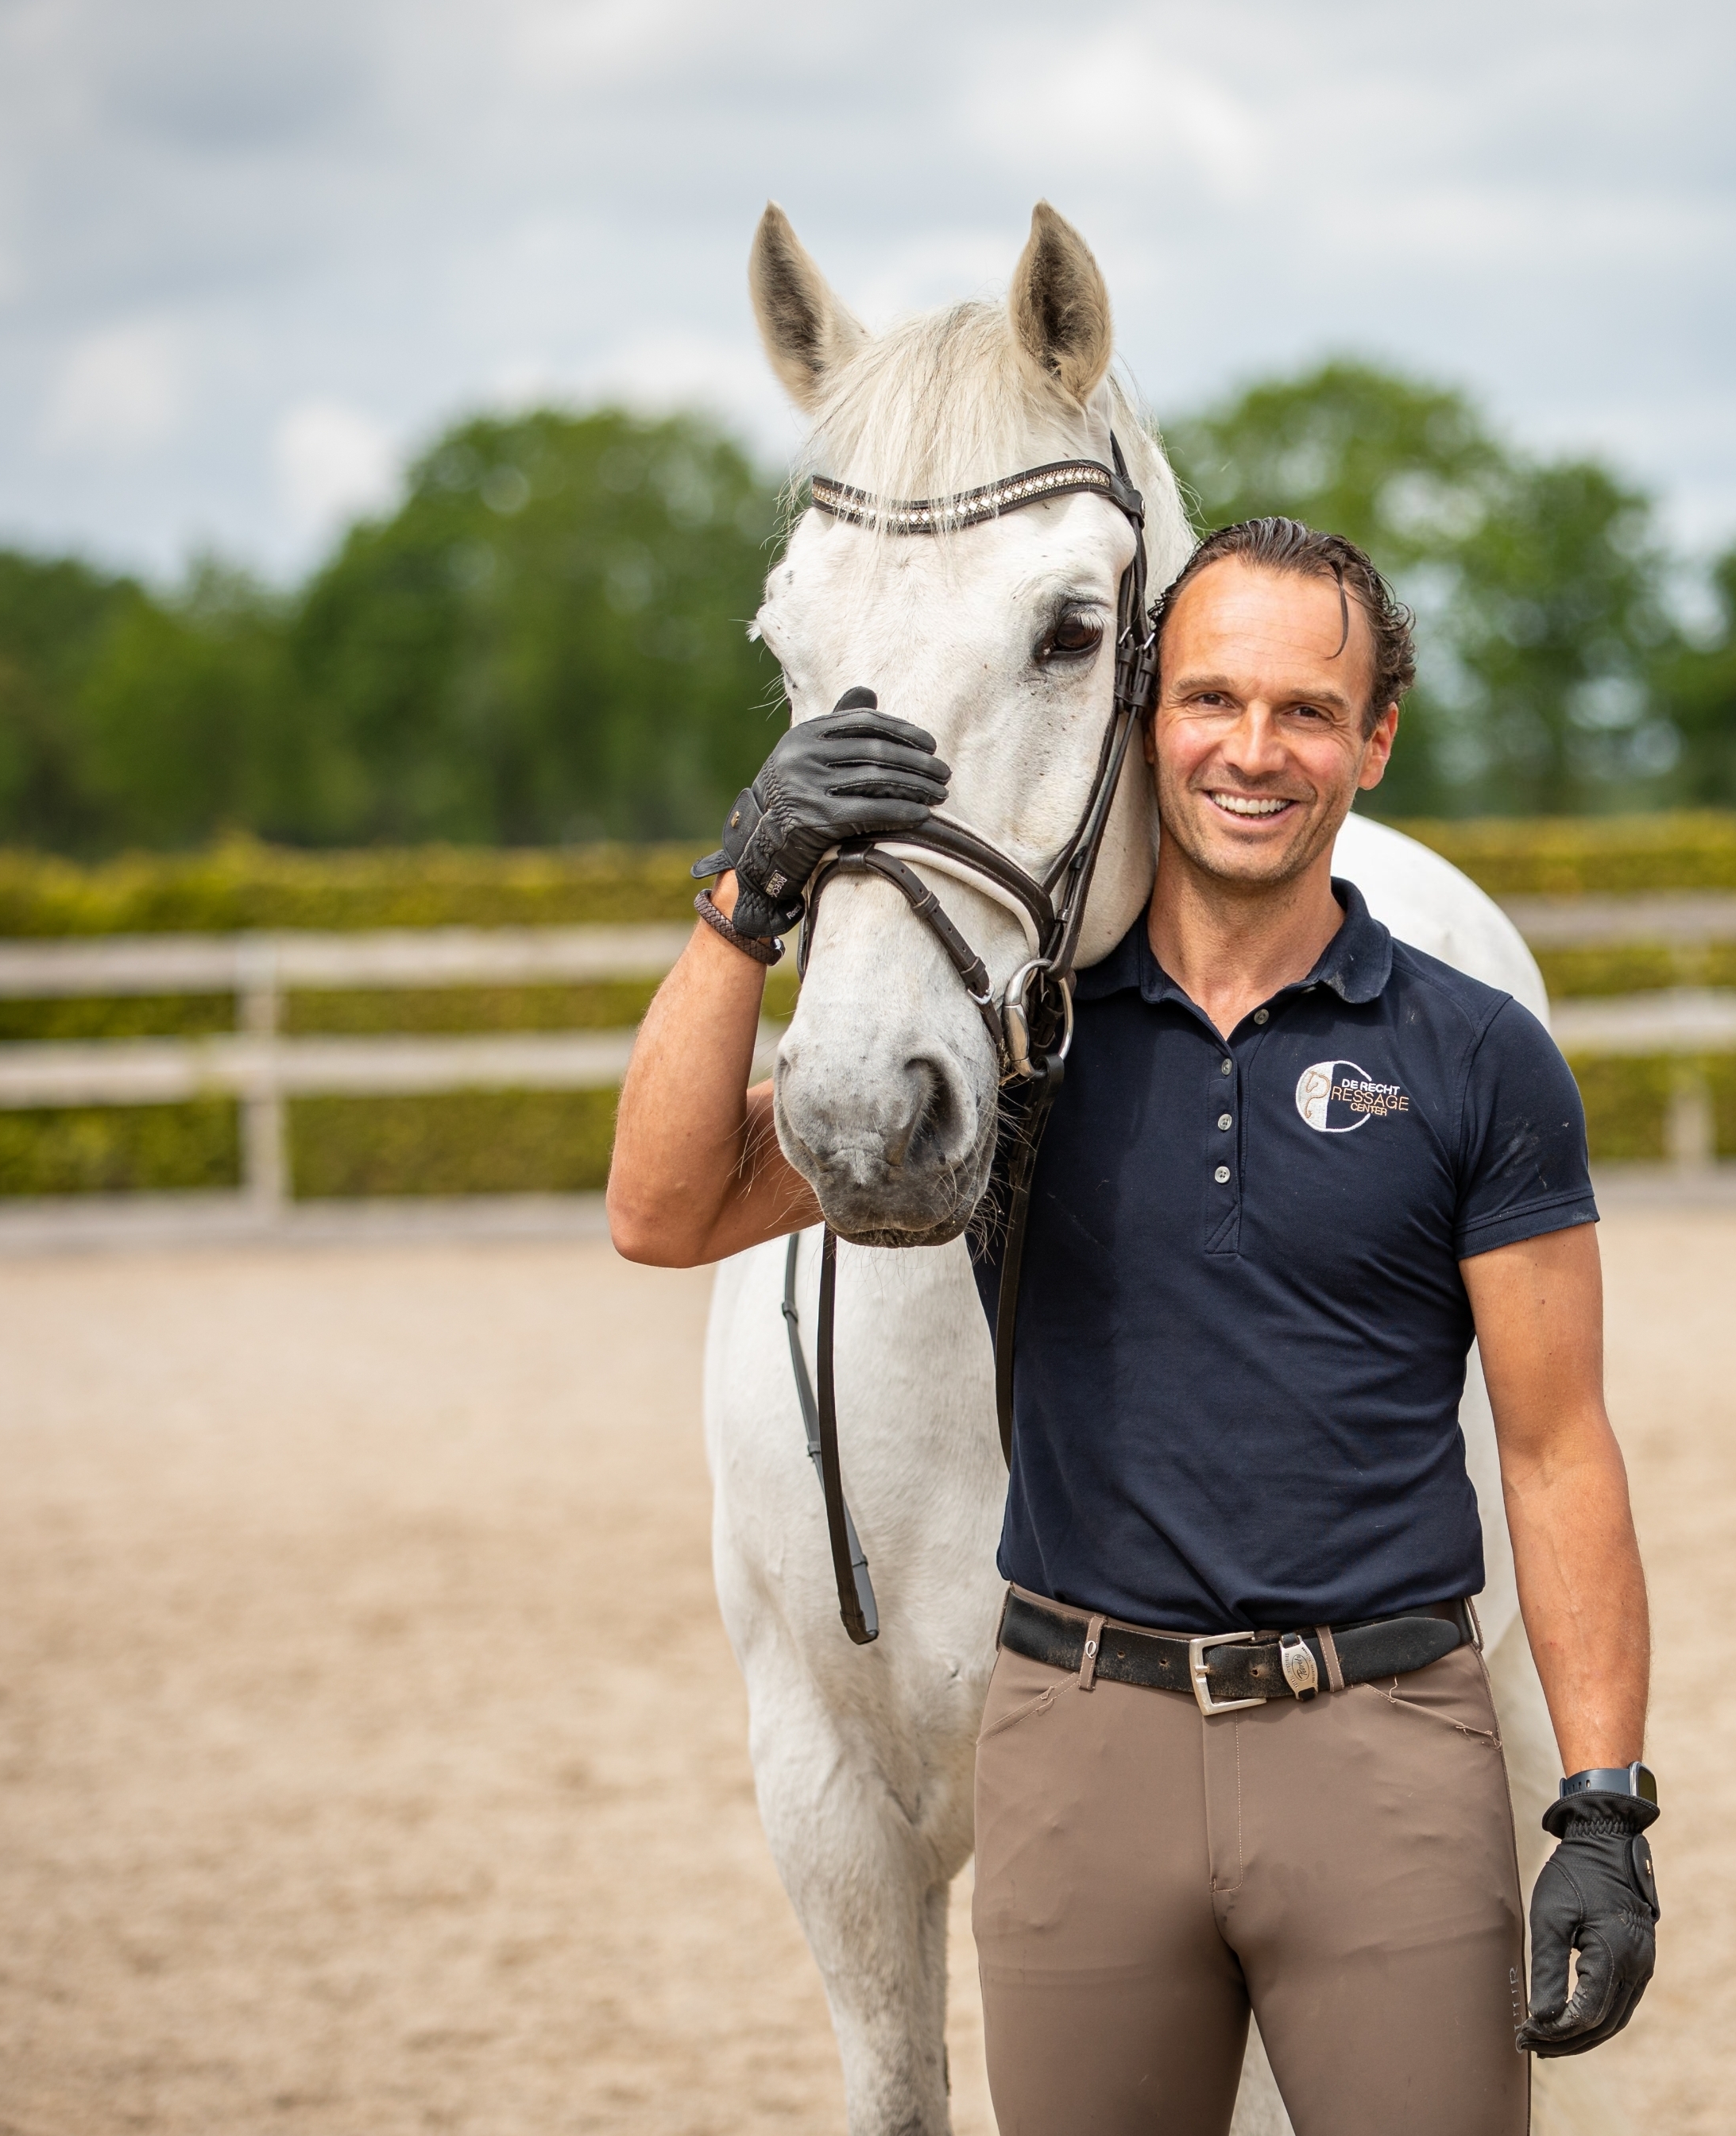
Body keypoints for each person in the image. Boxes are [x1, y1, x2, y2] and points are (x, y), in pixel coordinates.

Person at [609, 517, 1656, 2136]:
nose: (1254, 750)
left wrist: (1602, 1809)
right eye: (1213, 700)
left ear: (1376, 741)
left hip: (1381, 1737)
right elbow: (663, 1211)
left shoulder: (1481, 1054)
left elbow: (1556, 1438)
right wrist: (745, 894)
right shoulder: (1017, 1044)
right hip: (1086, 1748)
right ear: (1147, 718)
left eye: (1308, 711)